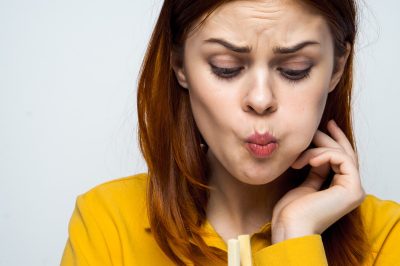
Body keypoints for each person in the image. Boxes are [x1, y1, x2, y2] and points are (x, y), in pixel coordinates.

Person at [61, 0, 400, 265]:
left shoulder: (387, 236)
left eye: (295, 70)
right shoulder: (107, 221)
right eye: (226, 68)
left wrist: (296, 240)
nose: (261, 99)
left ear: (336, 68)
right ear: (180, 65)